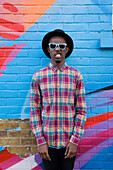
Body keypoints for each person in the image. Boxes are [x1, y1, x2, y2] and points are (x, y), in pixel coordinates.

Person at [30, 29, 87, 170]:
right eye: (53, 46)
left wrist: (74, 141)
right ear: (48, 49)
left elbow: (81, 111)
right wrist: (40, 141)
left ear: (66, 50)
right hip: (47, 144)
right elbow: (35, 112)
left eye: (61, 46)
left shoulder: (76, 76)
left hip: (69, 144)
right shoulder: (38, 77)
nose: (57, 49)